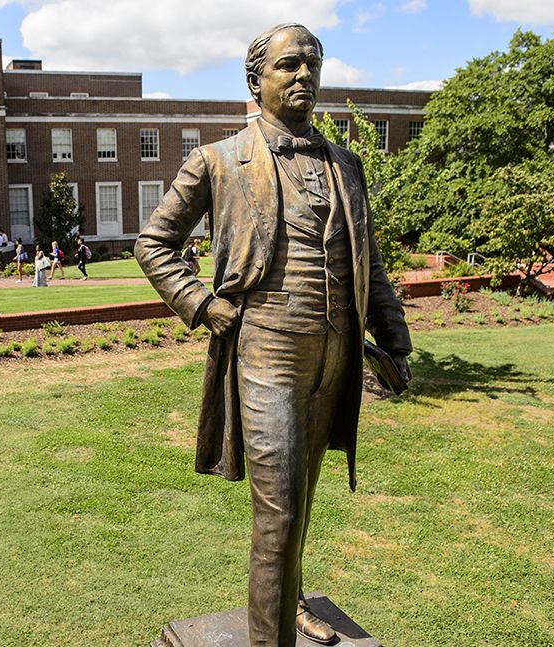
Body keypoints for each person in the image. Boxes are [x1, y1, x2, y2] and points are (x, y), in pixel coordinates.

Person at [135, 23, 412, 647]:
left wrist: (394, 341)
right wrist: (201, 303)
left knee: (301, 502)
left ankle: (289, 606)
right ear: (255, 79)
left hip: (335, 354)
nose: (304, 75)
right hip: (266, 347)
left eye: (313, 64)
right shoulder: (218, 159)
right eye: (289, 65)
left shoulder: (346, 163)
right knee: (278, 511)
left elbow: (370, 263)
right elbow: (153, 242)